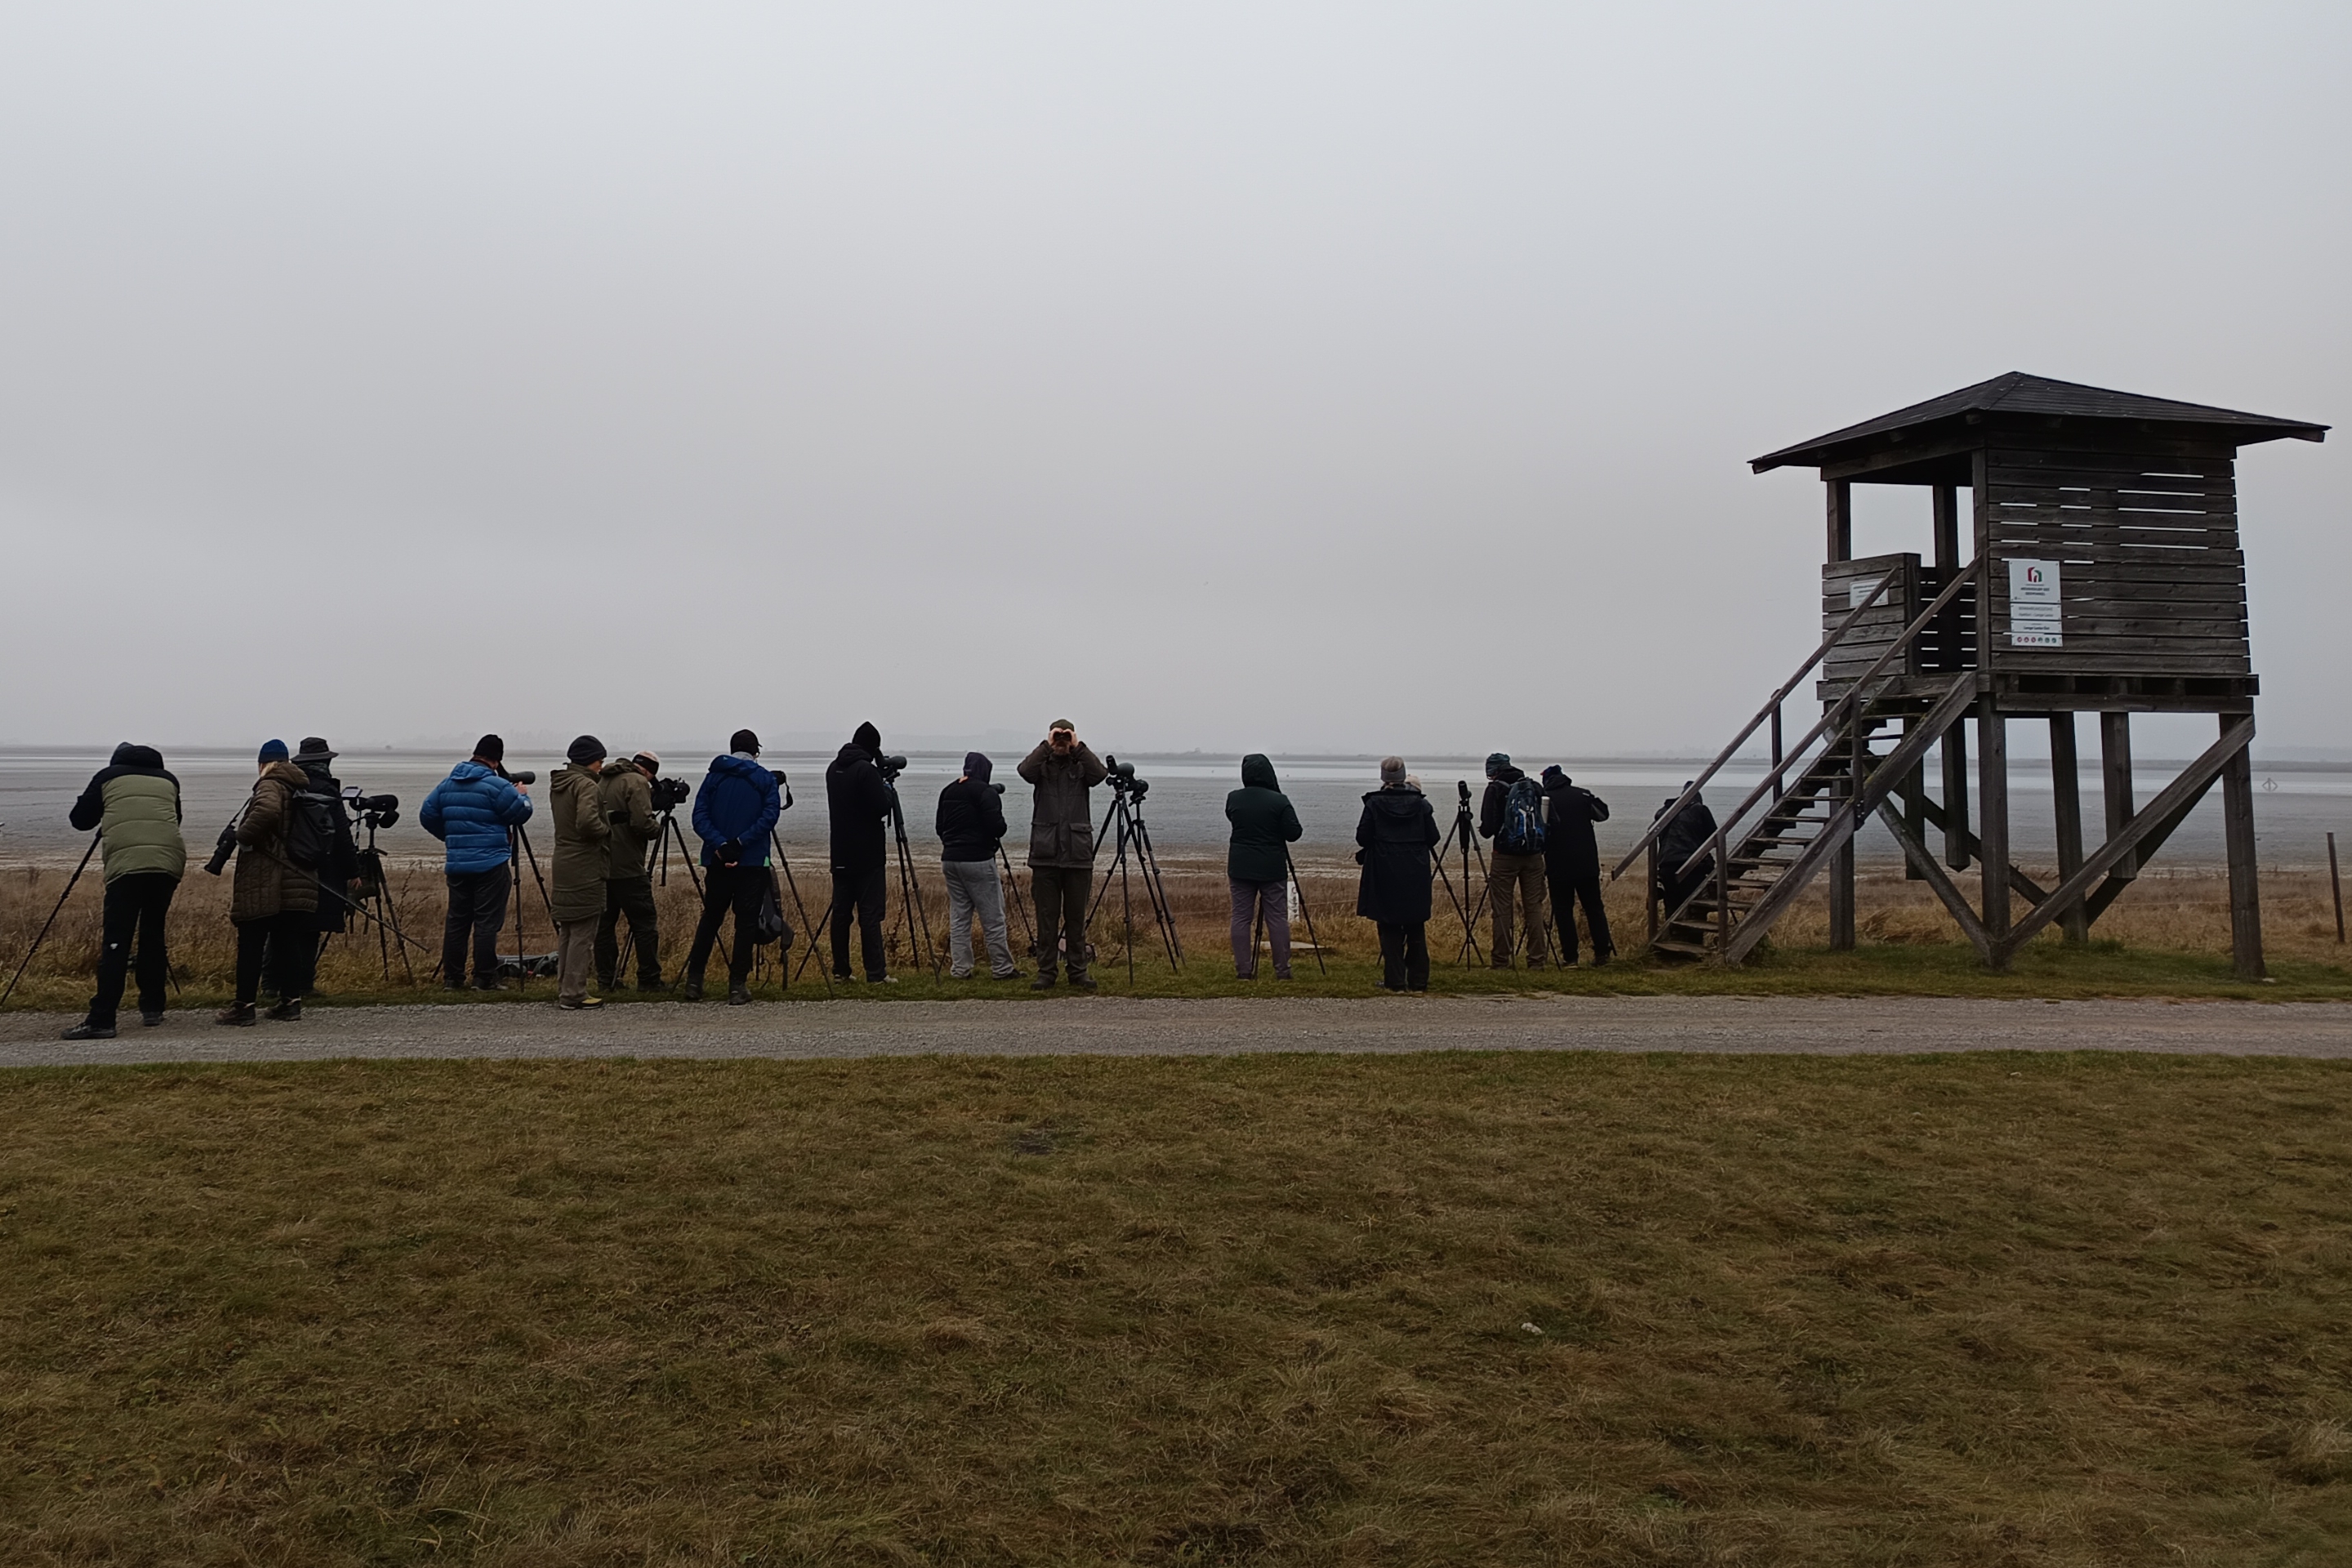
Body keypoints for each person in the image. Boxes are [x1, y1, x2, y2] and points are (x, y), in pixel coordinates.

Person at [60, 742, 185, 1040]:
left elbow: (80, 820)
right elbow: (175, 819)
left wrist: (108, 812)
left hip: (128, 866)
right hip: (168, 862)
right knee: (153, 934)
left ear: (117, 760)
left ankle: (103, 1018)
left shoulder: (108, 776)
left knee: (117, 941)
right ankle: (153, 1007)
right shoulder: (169, 780)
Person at [216, 740, 318, 1025]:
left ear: (264, 763)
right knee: (288, 942)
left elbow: (267, 811)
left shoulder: (270, 785)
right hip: (298, 874)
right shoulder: (299, 785)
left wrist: (242, 837)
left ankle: (244, 1007)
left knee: (251, 942)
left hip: (266, 876)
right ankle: (290, 1003)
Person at [419, 734, 533, 990]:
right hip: (491, 863)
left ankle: (453, 979)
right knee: (486, 922)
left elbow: (427, 814)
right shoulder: (497, 786)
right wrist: (523, 796)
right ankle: (484, 978)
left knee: (457, 922)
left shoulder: (448, 783)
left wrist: (453, 838)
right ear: (496, 760)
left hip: (458, 863)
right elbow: (519, 813)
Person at [686, 728, 782, 1004]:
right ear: (755, 751)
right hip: (751, 861)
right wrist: (741, 842)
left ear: (731, 749)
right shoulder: (764, 778)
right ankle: (737, 985)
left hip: (717, 860)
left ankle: (694, 981)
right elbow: (770, 815)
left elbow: (699, 816)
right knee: (746, 923)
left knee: (711, 919)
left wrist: (720, 844)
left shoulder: (714, 777)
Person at [1018, 718, 1107, 991]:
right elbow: (1024, 771)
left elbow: (1100, 775)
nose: (1062, 742)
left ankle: (1078, 971)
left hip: (1078, 856)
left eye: (1065, 738)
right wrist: (1047, 744)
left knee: (1076, 919)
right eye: (1059, 737)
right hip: (1045, 854)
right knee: (1046, 918)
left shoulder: (1082, 767)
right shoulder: (1041, 767)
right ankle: (1046, 972)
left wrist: (1078, 746)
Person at [283, 737, 360, 996]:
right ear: (324, 762)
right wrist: (353, 871)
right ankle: (304, 984)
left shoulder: (286, 785)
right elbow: (341, 835)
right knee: (310, 928)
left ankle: (273, 983)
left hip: (289, 863)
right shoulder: (326, 790)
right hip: (322, 866)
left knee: (285, 927)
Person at [936, 751, 1020, 980]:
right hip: (978, 860)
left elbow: (939, 827)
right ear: (986, 771)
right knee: (992, 917)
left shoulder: (948, 790)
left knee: (960, 917)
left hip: (950, 859)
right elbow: (997, 828)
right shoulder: (986, 792)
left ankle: (960, 969)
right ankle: (1002, 969)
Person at [1356, 757, 1438, 991]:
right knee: (1415, 924)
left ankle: (1395, 980)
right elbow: (1433, 837)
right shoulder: (1421, 804)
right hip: (1415, 868)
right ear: (1403, 775)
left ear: (1384, 777)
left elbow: (1363, 837)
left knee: (1389, 924)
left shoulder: (1374, 804)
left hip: (1384, 868)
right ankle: (1419, 980)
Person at [826, 721, 894, 983]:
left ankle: (841, 972)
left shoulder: (833, 768)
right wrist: (885, 785)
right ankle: (876, 973)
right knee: (869, 915)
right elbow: (880, 807)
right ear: (873, 747)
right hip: (867, 855)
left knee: (841, 915)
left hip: (840, 853)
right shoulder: (866, 771)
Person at [1224, 754, 1303, 980]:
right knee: (1277, 918)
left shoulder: (1233, 798)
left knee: (1240, 917)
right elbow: (1294, 833)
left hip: (1240, 865)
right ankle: (1282, 970)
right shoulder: (1279, 800)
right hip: (1272, 865)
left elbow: (1233, 819)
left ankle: (1244, 970)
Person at [547, 736, 612, 1009]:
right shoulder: (586, 785)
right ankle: (575, 993)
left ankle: (565, 987)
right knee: (584, 931)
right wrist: (606, 829)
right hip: (585, 864)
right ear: (590, 760)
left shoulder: (560, 784)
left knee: (568, 930)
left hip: (563, 860)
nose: (601, 767)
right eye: (599, 761)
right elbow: (586, 822)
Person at [595, 750, 665, 991]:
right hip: (629, 866)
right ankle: (649, 979)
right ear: (648, 772)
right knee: (644, 923)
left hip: (602, 863)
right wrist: (658, 828)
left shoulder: (603, 778)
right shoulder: (636, 782)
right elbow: (642, 823)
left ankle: (606, 979)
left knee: (604, 926)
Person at [1477, 751, 1551, 969]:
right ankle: (1537, 960)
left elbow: (1488, 829)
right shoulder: (1534, 786)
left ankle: (1501, 960)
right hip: (1533, 855)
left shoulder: (1495, 789)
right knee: (1534, 908)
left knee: (1501, 908)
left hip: (1504, 856)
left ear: (1493, 771)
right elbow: (1548, 821)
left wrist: (1484, 828)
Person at [1539, 765, 1615, 966]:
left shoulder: (1545, 799)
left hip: (1558, 864)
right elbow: (1603, 815)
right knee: (1594, 908)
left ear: (1546, 780)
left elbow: (1540, 829)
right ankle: (1602, 954)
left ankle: (1570, 957)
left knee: (1563, 911)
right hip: (1587, 863)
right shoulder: (1582, 795)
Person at [1655, 784, 1718, 922]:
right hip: (1692, 865)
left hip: (1666, 865)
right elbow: (1714, 836)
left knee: (1672, 907)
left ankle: (1671, 938)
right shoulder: (1700, 810)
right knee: (1696, 909)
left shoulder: (1663, 812)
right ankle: (1694, 941)